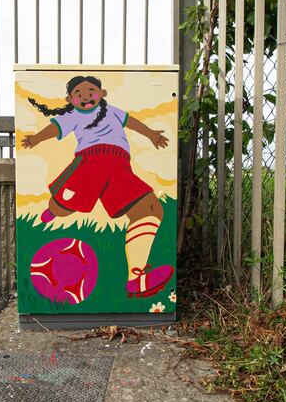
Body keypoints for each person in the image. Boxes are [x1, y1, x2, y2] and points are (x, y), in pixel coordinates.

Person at [21, 75, 174, 299]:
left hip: (119, 166)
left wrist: (151, 134)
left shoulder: (111, 110)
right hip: (89, 164)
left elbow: (130, 122)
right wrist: (35, 139)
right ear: (69, 99)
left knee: (151, 208)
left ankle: (136, 279)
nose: (85, 97)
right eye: (78, 94)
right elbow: (55, 128)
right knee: (63, 206)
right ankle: (53, 210)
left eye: (91, 91)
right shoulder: (72, 115)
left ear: (102, 94)